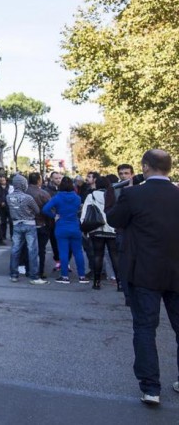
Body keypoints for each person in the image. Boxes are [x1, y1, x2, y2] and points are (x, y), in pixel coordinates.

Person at [106, 149, 179, 407]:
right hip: (176, 271)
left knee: (145, 329)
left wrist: (122, 192)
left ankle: (151, 388)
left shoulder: (133, 194)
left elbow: (114, 219)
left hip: (144, 271)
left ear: (145, 167)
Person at [42, 176, 88, 284]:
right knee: (78, 252)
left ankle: (64, 276)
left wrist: (54, 216)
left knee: (63, 252)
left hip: (61, 226)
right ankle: (82, 276)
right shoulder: (77, 198)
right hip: (75, 226)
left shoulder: (57, 197)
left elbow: (45, 209)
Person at [5, 174, 46, 283]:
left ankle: (14, 275)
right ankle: (34, 276)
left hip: (16, 225)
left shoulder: (8, 197)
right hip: (29, 225)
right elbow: (37, 210)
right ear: (24, 184)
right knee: (32, 250)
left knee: (15, 250)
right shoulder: (28, 198)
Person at [82, 176, 118, 290]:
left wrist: (84, 228)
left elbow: (85, 213)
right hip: (112, 228)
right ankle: (120, 283)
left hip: (96, 229)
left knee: (98, 255)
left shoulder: (91, 196)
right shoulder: (113, 195)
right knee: (115, 256)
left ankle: (96, 282)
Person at [26, 172, 53, 279]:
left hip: (28, 222)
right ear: (39, 180)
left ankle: (29, 269)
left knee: (29, 248)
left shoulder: (24, 192)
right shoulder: (43, 194)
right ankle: (40, 271)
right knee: (41, 249)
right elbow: (50, 209)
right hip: (42, 224)